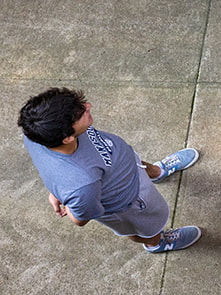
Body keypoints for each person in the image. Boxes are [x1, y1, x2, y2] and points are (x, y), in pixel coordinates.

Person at [17, 87, 202, 253]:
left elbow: (50, 167)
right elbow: (79, 218)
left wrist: (55, 190)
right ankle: (156, 242)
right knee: (146, 227)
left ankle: (158, 172)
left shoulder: (37, 133)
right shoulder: (83, 185)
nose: (88, 106)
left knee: (135, 161)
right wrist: (67, 194)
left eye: (80, 104)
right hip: (130, 202)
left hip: (125, 164)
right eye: (80, 113)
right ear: (67, 138)